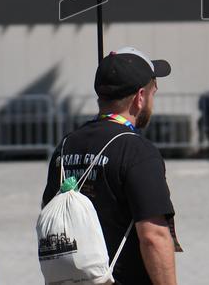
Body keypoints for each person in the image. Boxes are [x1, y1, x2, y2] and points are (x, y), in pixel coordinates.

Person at [41, 47, 177, 285]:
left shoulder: (65, 146)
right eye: (154, 93)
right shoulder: (136, 150)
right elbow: (153, 236)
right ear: (140, 97)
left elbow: (51, 216)